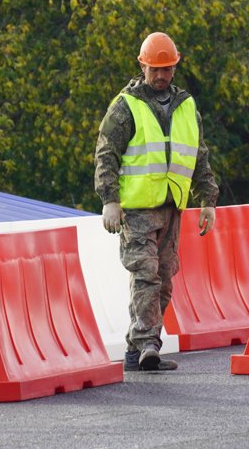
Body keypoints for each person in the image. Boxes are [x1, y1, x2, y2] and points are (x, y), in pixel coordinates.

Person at [94, 32, 219, 372]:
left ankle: (136, 349)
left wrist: (207, 198)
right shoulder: (126, 105)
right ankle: (150, 343)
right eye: (155, 70)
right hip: (135, 210)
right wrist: (110, 200)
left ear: (175, 67)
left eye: (167, 69)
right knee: (145, 274)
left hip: (171, 208)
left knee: (163, 279)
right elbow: (106, 152)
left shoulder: (186, 106)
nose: (161, 76)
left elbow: (199, 154)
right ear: (142, 66)